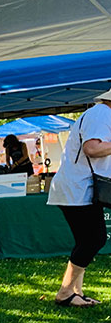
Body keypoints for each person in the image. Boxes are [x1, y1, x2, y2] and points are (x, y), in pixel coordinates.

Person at [46, 91, 111, 307]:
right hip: (78, 188)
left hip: (77, 188)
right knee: (95, 238)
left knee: (87, 240)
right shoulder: (102, 113)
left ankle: (75, 292)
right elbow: (92, 148)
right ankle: (65, 292)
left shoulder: (98, 113)